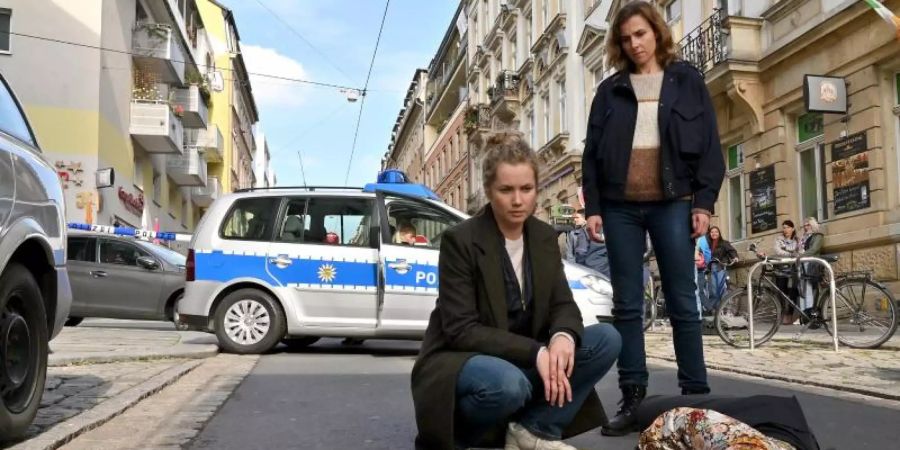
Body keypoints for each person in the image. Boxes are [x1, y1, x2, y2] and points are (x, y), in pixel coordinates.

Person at [411, 132, 621, 450]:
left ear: (537, 189)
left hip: (524, 359)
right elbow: (461, 329)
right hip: (467, 358)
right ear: (489, 191)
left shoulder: (544, 237)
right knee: (508, 385)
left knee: (606, 339)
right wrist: (536, 352)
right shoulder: (461, 240)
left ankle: (533, 430)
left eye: (526, 189)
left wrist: (563, 336)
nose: (518, 200)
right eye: (506, 190)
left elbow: (562, 304)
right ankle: (469, 435)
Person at [581, 1, 725, 436]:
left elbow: (709, 146)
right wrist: (593, 208)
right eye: (626, 38)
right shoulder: (610, 90)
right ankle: (634, 399)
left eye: (640, 34)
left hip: (673, 201)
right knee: (626, 304)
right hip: (620, 205)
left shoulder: (686, 80)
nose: (634, 43)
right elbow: (592, 153)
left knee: (683, 299)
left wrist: (703, 202)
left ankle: (696, 397)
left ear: (657, 33)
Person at [565, 209, 611, 278]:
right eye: (574, 218)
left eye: (577, 218)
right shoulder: (573, 233)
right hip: (581, 269)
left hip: (599, 270)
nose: (575, 220)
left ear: (585, 219)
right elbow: (570, 253)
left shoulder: (600, 230)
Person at [703, 226, 738, 312]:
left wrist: (735, 257)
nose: (714, 233)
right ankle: (717, 309)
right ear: (709, 234)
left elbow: (732, 251)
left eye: (716, 232)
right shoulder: (708, 245)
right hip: (710, 268)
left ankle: (724, 309)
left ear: (719, 233)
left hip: (720, 266)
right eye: (712, 232)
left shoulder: (724, 243)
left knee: (721, 289)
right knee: (713, 290)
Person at [774, 220, 801, 324]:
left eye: (788, 227)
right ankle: (782, 314)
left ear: (792, 228)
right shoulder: (778, 239)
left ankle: (790, 314)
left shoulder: (797, 239)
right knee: (781, 292)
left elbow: (799, 251)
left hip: (794, 269)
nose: (785, 230)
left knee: (794, 291)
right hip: (781, 269)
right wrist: (791, 254)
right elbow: (778, 251)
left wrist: (788, 250)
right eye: (784, 227)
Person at [799, 217, 825, 320]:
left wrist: (801, 256)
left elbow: (814, 249)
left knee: (810, 288)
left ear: (813, 225)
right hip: (802, 263)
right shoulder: (803, 237)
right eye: (804, 225)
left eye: (808, 225)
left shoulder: (818, 236)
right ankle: (803, 313)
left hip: (812, 264)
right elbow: (799, 248)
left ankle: (810, 312)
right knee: (802, 289)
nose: (806, 227)